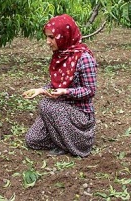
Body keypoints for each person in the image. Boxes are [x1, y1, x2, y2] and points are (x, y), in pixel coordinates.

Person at [22, 14, 97, 157]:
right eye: (47, 37)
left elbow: (90, 90)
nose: (47, 42)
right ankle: (62, 140)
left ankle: (75, 144)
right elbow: (56, 84)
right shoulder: (61, 55)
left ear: (64, 36)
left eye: (52, 37)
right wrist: (40, 90)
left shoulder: (84, 58)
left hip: (79, 115)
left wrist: (65, 92)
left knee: (47, 105)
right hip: (60, 113)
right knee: (32, 140)